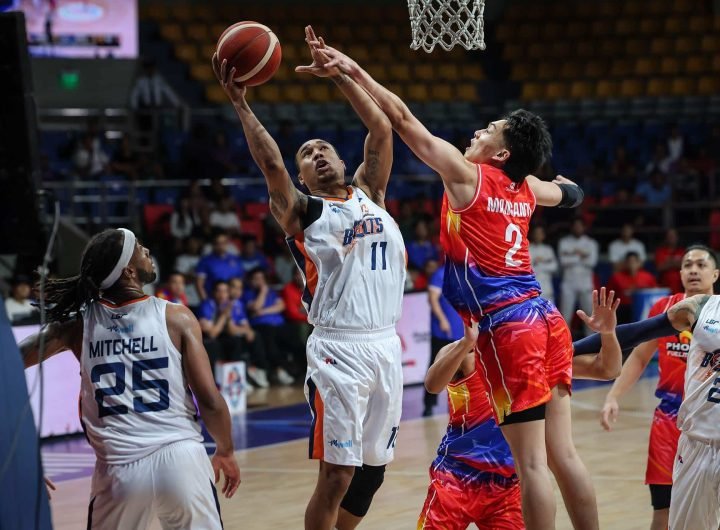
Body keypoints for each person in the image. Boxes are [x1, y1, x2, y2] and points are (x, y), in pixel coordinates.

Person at [316, 34, 596, 529]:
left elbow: (401, 120)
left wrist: (350, 69)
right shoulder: (526, 186)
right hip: (546, 317)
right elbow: (567, 192)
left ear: (502, 154)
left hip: (511, 324)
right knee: (563, 456)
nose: (478, 131)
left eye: (490, 130)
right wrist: (571, 190)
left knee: (530, 465)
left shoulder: (469, 176)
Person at [213, 25, 404, 530]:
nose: (317, 154)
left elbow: (382, 129)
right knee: (337, 475)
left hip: (385, 344)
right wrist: (242, 104)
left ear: (344, 161)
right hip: (338, 351)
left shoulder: (373, 194)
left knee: (372, 473)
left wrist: (341, 75)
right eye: (307, 154)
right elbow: (271, 161)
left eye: (324, 148)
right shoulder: (303, 212)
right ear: (302, 177)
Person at [18, 228, 239, 529]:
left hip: (119, 472)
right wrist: (225, 449)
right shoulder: (177, 317)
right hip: (181, 459)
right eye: (139, 247)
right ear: (128, 271)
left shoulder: (75, 326)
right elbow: (210, 400)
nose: (147, 250)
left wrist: (19, 452)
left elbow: (9, 364)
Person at [420, 288, 623, 530]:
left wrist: (608, 334)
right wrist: (467, 343)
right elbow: (432, 385)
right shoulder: (465, 352)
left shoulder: (532, 358)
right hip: (456, 476)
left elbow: (606, 370)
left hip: (507, 486)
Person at [600, 245, 718, 530]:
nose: (693, 270)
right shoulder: (665, 309)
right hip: (668, 420)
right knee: (664, 508)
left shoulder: (716, 314)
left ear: (715, 273)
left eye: (701, 265)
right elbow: (640, 356)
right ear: (678, 272)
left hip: (709, 418)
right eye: (687, 264)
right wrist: (613, 396)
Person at [423, 263, 464, 417]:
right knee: (435, 366)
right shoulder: (440, 274)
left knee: (461, 370)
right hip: (443, 331)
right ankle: (429, 404)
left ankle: (456, 405)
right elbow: (433, 299)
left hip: (461, 331)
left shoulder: (464, 273)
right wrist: (442, 320)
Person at [558, 218, 598, 335]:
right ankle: (565, 345)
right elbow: (563, 261)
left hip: (586, 284)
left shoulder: (591, 243)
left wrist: (572, 254)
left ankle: (590, 345)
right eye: (575, 226)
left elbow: (592, 262)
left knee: (589, 315)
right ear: (572, 227)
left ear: (584, 227)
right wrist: (581, 255)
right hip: (568, 284)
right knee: (565, 316)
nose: (577, 228)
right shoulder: (564, 242)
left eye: (580, 226)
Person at [607, 252, 658, 324]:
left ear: (639, 263)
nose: (632, 264)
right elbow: (608, 297)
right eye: (629, 261)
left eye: (634, 261)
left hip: (643, 309)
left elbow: (655, 293)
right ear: (625, 263)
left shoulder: (648, 276)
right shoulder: (616, 277)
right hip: (623, 310)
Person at [195, 231, 244, 301]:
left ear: (227, 243)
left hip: (231, 301)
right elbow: (199, 284)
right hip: (213, 300)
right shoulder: (205, 261)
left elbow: (240, 282)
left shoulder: (235, 259)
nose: (221, 246)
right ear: (213, 244)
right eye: (218, 243)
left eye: (224, 243)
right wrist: (206, 302)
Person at [529, 225, 558, 301]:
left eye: (540, 233)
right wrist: (544, 262)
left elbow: (554, 267)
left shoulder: (548, 249)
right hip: (532, 290)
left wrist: (538, 263)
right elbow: (527, 269)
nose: (538, 236)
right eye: (536, 233)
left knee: (550, 313)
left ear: (543, 235)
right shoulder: (528, 248)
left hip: (547, 289)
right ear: (532, 235)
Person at [655, 228, 684, 294]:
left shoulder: (682, 251)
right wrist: (675, 263)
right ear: (666, 238)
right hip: (664, 287)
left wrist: (668, 263)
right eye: (669, 236)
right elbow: (659, 267)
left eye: (673, 236)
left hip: (680, 287)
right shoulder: (660, 251)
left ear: (677, 238)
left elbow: (684, 266)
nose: (671, 238)